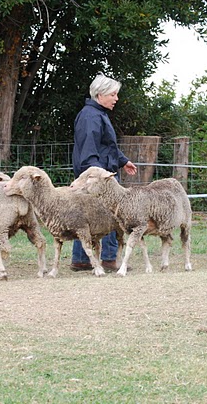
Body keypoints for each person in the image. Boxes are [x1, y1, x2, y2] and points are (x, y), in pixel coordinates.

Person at [70, 73, 137, 271]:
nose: (116, 98)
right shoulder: (91, 117)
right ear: (100, 94)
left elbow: (107, 145)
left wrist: (123, 161)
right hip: (98, 177)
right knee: (109, 214)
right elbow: (89, 151)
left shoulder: (98, 114)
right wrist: (98, 178)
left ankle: (81, 259)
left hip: (99, 174)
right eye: (113, 94)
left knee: (88, 215)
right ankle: (108, 259)